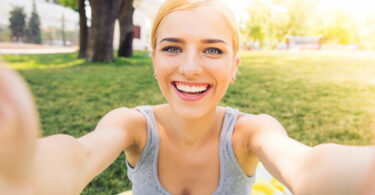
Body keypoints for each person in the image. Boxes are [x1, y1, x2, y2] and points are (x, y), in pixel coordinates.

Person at [1, 0, 375, 194]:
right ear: (155, 59)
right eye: (172, 48)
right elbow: (80, 154)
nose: (191, 67)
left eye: (212, 50)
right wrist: (22, 177)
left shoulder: (249, 133)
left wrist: (366, 177)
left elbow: (307, 165)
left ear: (233, 64)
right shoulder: (134, 126)